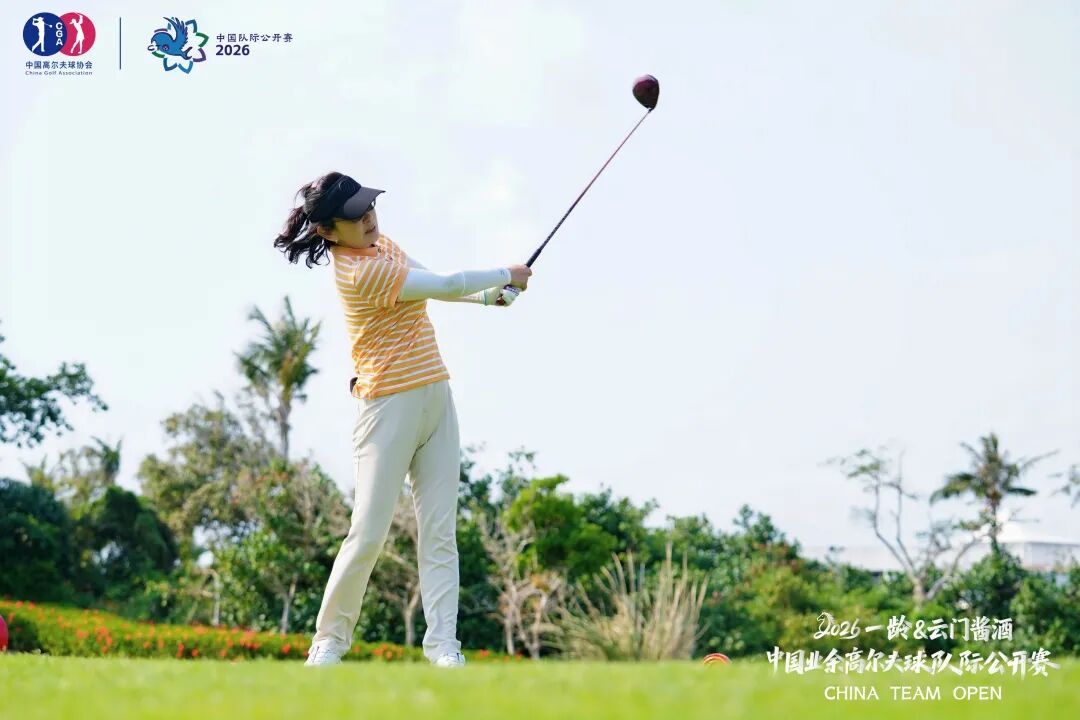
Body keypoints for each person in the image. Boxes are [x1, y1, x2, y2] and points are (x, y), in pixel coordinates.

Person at [272, 171, 532, 667]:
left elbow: (434, 285)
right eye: (356, 216)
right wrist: (506, 272)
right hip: (387, 408)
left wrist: (490, 296)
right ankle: (329, 641)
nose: (369, 218)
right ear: (327, 230)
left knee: (440, 533)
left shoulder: (382, 245)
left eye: (369, 207)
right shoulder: (358, 273)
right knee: (368, 533)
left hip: (435, 397)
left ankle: (444, 647)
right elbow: (447, 283)